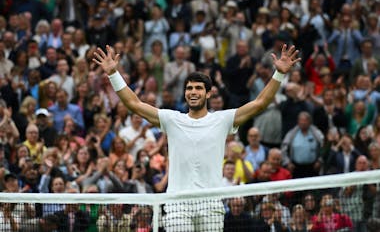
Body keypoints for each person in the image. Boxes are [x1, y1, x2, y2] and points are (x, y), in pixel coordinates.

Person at [93, 43, 300, 232]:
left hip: (211, 203)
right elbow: (135, 104)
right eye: (189, 88)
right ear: (185, 94)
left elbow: (259, 103)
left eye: (199, 88)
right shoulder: (171, 119)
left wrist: (279, 75)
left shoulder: (223, 119)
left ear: (208, 94)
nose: (193, 92)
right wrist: (113, 74)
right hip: (177, 203)